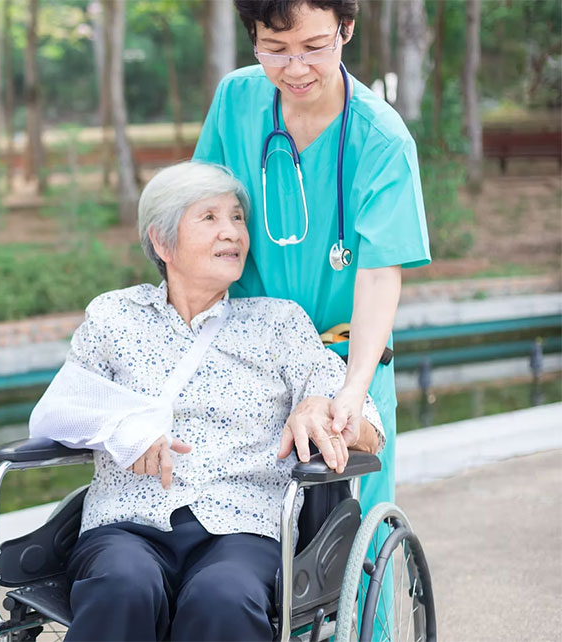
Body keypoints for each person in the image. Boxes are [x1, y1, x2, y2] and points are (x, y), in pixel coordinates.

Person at [29, 161, 384, 641]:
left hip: (243, 527)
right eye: (211, 218)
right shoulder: (115, 316)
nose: (232, 233)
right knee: (122, 585)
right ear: (162, 241)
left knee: (222, 598)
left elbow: (367, 425)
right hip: (127, 522)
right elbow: (58, 410)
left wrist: (319, 409)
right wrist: (126, 429)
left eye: (237, 218)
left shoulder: (277, 324)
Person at [193, 0, 431, 523]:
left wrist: (353, 389)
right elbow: (200, 218)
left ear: (346, 29)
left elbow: (378, 273)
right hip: (247, 359)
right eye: (274, 50)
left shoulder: (381, 140)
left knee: (349, 542)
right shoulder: (236, 100)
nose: (295, 69)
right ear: (253, 38)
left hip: (345, 358)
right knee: (243, 529)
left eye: (314, 47)